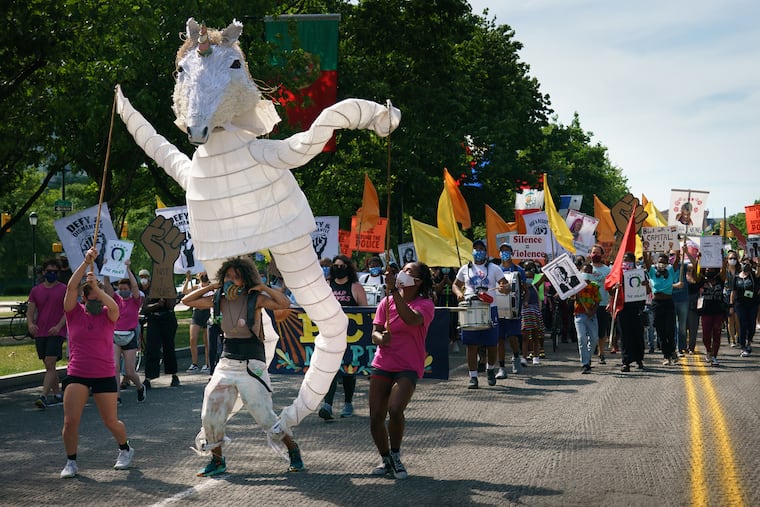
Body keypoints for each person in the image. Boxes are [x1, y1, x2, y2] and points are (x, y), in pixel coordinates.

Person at [182, 256, 305, 476]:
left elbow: (285, 303)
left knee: (265, 416)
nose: (231, 280)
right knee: (211, 414)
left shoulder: (255, 298)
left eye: (236, 277)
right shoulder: (218, 298)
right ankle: (217, 461)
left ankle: (293, 450)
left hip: (251, 364)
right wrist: (212, 285)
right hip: (226, 362)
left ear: (245, 279)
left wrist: (263, 287)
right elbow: (187, 301)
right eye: (228, 276)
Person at [60, 247, 134, 478]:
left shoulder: (108, 314)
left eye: (98, 297)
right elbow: (71, 287)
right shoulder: (74, 313)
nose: (95, 300)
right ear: (84, 298)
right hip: (77, 373)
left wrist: (98, 289)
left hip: (103, 374)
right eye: (90, 296)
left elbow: (112, 306)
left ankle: (126, 449)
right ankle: (71, 462)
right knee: (71, 421)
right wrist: (85, 263)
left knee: (111, 421)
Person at [369, 261, 435, 480]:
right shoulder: (385, 303)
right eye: (403, 270)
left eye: (409, 272)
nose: (403, 274)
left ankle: (396, 455)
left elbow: (411, 319)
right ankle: (385, 458)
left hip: (408, 366)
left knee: (395, 409)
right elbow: (375, 333)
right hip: (383, 363)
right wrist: (381, 338)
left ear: (418, 282)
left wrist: (393, 293)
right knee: (376, 416)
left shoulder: (425, 304)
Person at [319, 255, 368, 420]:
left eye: (341, 265)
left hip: (351, 336)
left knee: (348, 370)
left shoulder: (355, 287)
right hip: (330, 334)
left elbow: (365, 311)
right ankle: (328, 405)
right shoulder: (326, 285)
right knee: (330, 369)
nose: (337, 268)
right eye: (335, 265)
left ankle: (348, 403)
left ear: (348, 267)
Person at [452, 240, 505, 389]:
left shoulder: (494, 268)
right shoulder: (465, 269)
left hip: (489, 308)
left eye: (481, 249)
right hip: (471, 307)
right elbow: (456, 284)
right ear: (472, 251)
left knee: (491, 344)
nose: (478, 251)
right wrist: (458, 294)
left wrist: (503, 288)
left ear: (486, 252)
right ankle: (473, 377)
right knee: (471, 345)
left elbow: (504, 284)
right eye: (476, 248)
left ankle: (490, 369)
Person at [103, 261, 146, 404]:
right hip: (115, 335)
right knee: (114, 367)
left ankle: (140, 387)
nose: (122, 290)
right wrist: (106, 269)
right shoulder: (115, 299)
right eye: (120, 288)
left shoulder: (135, 300)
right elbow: (107, 286)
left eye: (125, 288)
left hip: (130, 336)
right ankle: (117, 396)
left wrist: (127, 268)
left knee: (129, 371)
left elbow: (135, 286)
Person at [27, 258, 67, 409]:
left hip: (56, 332)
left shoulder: (64, 289)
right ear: (43, 272)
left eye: (55, 272)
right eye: (49, 272)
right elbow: (30, 311)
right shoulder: (36, 290)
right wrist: (30, 324)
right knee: (49, 366)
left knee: (50, 362)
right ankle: (57, 394)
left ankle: (43, 396)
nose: (52, 274)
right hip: (41, 332)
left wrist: (59, 326)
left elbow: (67, 311)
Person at [140, 269, 180, 388]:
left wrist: (165, 297)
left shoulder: (169, 288)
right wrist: (157, 305)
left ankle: (174, 375)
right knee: (152, 348)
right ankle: (149, 377)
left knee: (169, 347)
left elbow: (170, 305)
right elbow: (145, 307)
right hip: (154, 320)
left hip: (167, 319)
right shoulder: (151, 289)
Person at [645, 250, 683, 365]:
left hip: (668, 303)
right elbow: (647, 261)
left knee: (670, 330)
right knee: (660, 331)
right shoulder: (652, 271)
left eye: (664, 262)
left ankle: (672, 352)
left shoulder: (670, 270)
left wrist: (680, 251)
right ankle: (666, 356)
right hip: (656, 304)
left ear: (667, 263)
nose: (661, 263)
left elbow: (677, 261)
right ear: (657, 262)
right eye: (660, 261)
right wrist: (647, 251)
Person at [495, 243, 526, 377]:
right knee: (499, 339)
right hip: (498, 309)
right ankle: (501, 367)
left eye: (507, 251)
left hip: (513, 310)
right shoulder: (495, 270)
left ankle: (516, 356)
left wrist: (523, 304)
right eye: (502, 251)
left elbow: (524, 290)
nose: (505, 253)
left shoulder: (519, 270)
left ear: (512, 253)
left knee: (512, 337)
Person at [698, 265, 727, 366]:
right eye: (706, 269)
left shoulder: (720, 279)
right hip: (706, 312)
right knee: (706, 336)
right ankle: (708, 351)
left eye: (710, 269)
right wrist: (699, 259)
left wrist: (722, 258)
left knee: (717, 335)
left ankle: (714, 356)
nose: (708, 270)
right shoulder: (701, 280)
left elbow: (724, 270)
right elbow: (695, 272)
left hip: (718, 312)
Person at [573, 264, 600, 374]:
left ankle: (588, 358)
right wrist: (574, 294)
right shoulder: (576, 286)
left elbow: (597, 301)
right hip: (579, 315)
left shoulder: (594, 286)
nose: (587, 273)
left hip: (591, 316)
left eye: (589, 271)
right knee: (581, 338)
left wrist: (592, 311)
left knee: (594, 338)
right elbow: (571, 298)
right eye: (585, 271)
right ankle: (585, 363)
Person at [183, 271, 212, 373]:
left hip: (207, 313)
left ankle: (208, 363)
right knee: (192, 338)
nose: (204, 277)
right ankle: (194, 363)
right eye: (202, 275)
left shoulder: (212, 287)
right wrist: (187, 280)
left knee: (207, 341)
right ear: (199, 276)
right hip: (197, 314)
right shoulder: (196, 287)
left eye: (206, 275)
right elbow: (185, 291)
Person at [731, 257, 759, 357]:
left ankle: (749, 342)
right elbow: (733, 292)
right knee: (743, 324)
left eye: (748, 264)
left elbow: (758, 273)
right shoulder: (737, 277)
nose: (746, 265)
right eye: (744, 263)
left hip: (752, 304)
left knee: (751, 324)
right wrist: (731, 305)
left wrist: (758, 263)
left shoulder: (753, 275)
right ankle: (743, 346)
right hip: (740, 304)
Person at [588, 245, 611, 364]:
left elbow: (611, 288)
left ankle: (601, 353)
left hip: (603, 303)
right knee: (590, 331)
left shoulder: (607, 270)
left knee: (601, 331)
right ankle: (589, 354)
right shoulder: (585, 269)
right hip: (588, 304)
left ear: (602, 255)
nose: (595, 255)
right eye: (593, 252)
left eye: (597, 253)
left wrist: (611, 302)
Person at [522, 264, 546, 366]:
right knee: (525, 337)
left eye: (530, 277)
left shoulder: (535, 287)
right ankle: (524, 357)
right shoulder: (521, 290)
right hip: (524, 314)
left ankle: (536, 356)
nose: (528, 279)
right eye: (526, 278)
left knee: (536, 335)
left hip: (535, 313)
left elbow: (544, 277)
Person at [724, 250, 740, 347]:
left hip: (738, 295)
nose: (732, 260)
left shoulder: (740, 270)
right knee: (730, 319)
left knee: (738, 319)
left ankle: (738, 336)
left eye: (734, 258)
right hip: (727, 295)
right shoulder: (725, 271)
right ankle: (732, 339)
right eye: (730, 258)